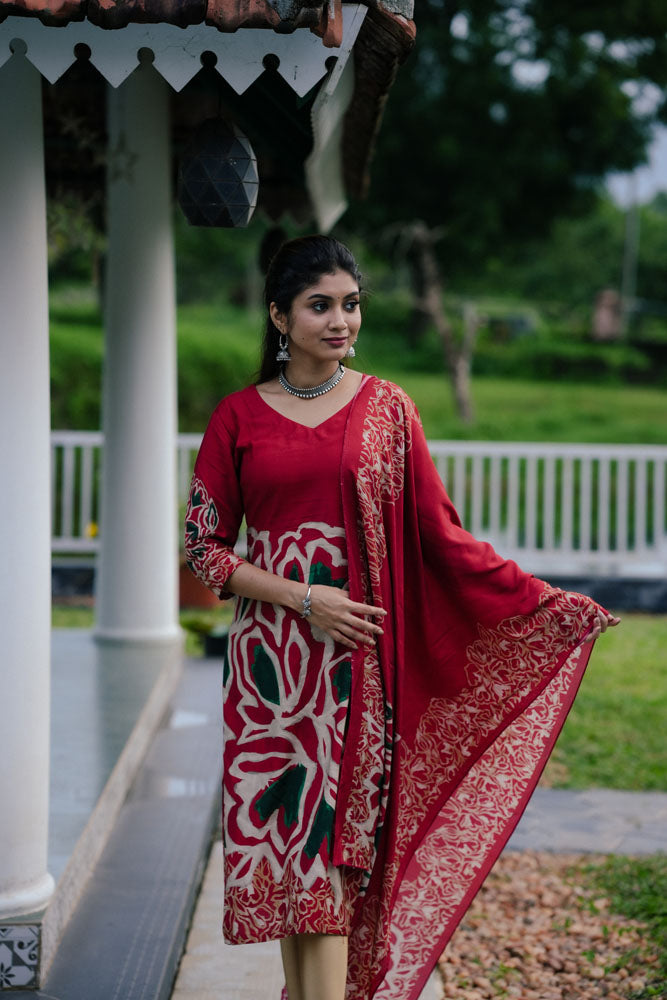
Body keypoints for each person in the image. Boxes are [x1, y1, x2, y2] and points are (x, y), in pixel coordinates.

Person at [184, 235, 619, 1000]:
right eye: (320, 306)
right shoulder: (238, 417)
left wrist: (543, 603)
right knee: (288, 864)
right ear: (279, 316)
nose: (340, 321)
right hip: (269, 674)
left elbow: (441, 535)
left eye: (350, 304)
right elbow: (203, 547)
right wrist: (302, 597)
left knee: (330, 865)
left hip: (355, 674)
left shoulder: (387, 410)